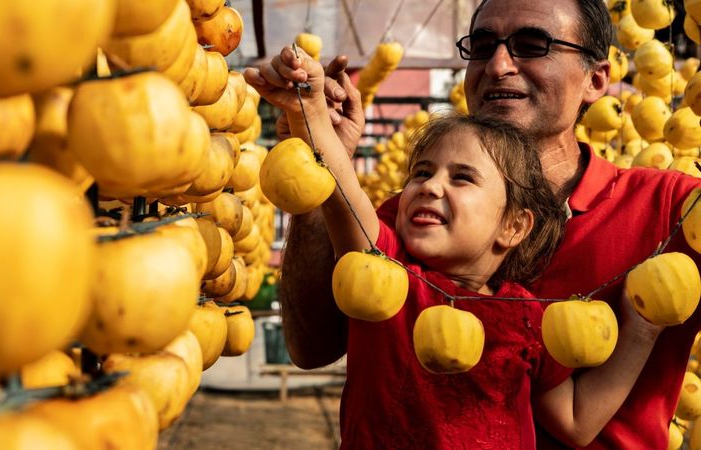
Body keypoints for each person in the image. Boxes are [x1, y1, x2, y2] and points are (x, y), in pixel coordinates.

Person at [257, 0, 701, 448]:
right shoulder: (410, 234)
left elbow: (576, 419)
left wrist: (642, 323)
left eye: (532, 44)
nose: (499, 64)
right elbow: (311, 347)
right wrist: (312, 135)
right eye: (483, 45)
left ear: (597, 79)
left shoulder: (676, 210)